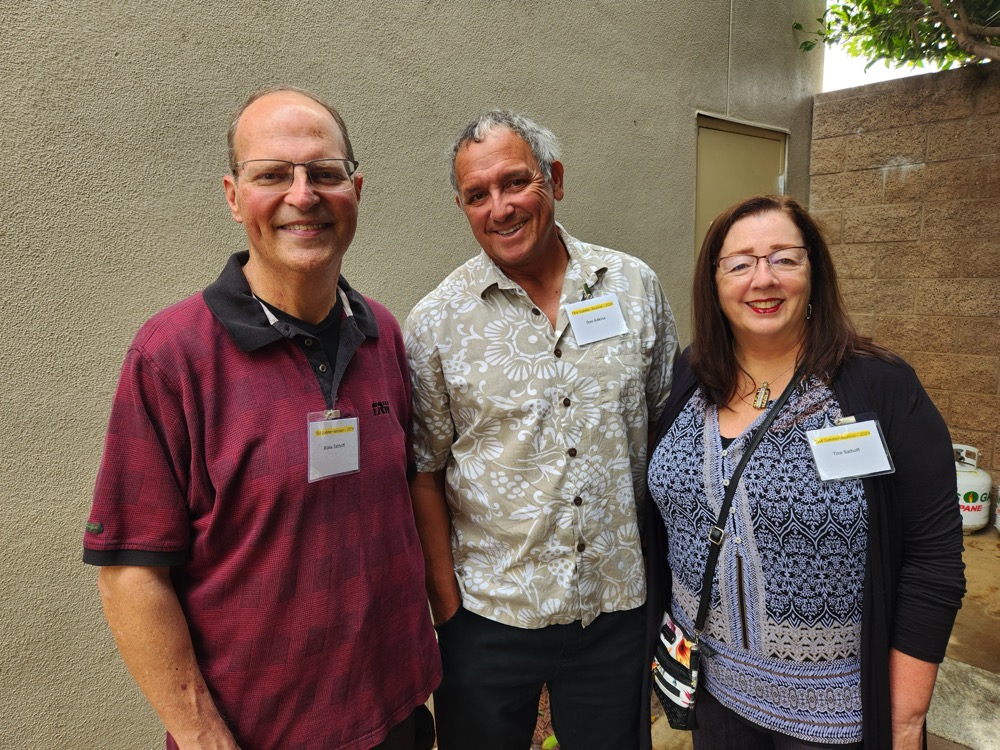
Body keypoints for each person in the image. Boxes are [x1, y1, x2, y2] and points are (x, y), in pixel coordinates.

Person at [83, 87, 441, 750]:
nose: (303, 196)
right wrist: (201, 735)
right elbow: (131, 572)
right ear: (233, 195)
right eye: (272, 175)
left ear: (356, 190)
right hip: (259, 734)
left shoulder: (382, 334)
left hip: (396, 715)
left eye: (325, 173)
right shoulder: (172, 356)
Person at [644, 195, 966, 750]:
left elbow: (932, 557)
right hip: (713, 695)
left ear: (814, 271)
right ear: (714, 283)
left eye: (784, 259)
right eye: (740, 264)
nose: (763, 279)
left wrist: (906, 720)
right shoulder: (690, 376)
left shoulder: (879, 387)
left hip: (834, 717)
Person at [404, 110, 678, 749]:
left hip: (615, 605)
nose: (499, 208)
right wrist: (448, 607)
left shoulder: (633, 286)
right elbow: (425, 469)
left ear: (553, 178)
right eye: (477, 194)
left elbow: (664, 425)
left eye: (515, 182)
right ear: (462, 207)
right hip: (489, 614)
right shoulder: (436, 322)